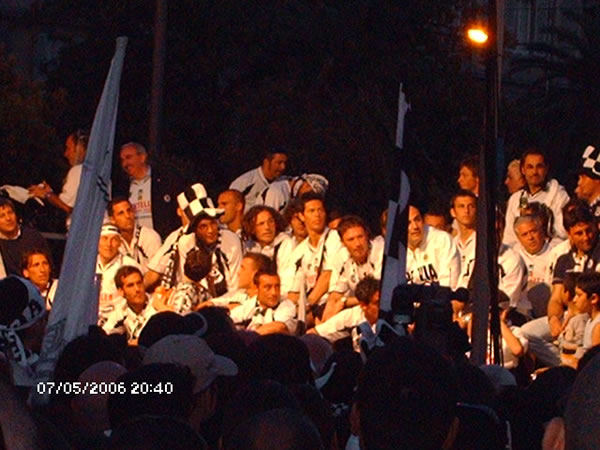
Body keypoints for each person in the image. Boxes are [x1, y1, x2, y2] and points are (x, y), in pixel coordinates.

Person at [522, 201, 600, 366]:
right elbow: (556, 298)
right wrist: (553, 320)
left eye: (589, 230)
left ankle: (574, 366)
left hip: (591, 314)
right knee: (528, 333)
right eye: (579, 233)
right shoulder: (563, 259)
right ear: (569, 233)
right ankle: (563, 364)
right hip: (568, 315)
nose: (587, 237)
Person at [146, 183, 242, 296]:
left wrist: (217, 304)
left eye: (213, 224)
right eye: (203, 226)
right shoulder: (185, 242)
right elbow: (187, 282)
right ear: (195, 229)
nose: (210, 230)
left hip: (229, 301)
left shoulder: (231, 240)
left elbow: (236, 284)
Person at [286, 193, 344, 316]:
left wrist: (307, 304)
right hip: (309, 306)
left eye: (320, 210)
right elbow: (293, 292)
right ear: (301, 216)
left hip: (331, 302)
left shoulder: (335, 237)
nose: (317, 215)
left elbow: (328, 275)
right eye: (311, 211)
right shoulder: (299, 251)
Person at [503, 148, 569, 247]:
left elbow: (563, 233)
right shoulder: (515, 199)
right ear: (523, 170)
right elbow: (509, 237)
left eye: (539, 167)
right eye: (530, 167)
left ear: (546, 169)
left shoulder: (559, 196)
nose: (534, 172)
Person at [321, 216, 383, 321]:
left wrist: (345, 301)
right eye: (351, 239)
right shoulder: (342, 257)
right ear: (342, 242)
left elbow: (376, 296)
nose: (357, 244)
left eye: (360, 237)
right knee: (320, 330)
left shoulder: (380, 252)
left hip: (378, 309)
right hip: (359, 307)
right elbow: (334, 297)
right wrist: (325, 321)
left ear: (367, 235)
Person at [114, 142, 180, 238]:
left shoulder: (165, 180)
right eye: (122, 160)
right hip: (135, 244)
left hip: (163, 242)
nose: (125, 164)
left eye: (128, 157)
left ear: (142, 157)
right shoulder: (122, 187)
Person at [28, 129, 88, 228]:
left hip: (82, 231)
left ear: (79, 148)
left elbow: (67, 206)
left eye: (68, 148)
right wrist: (51, 194)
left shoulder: (78, 171)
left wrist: (46, 194)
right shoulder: (101, 173)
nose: (66, 154)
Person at [309, 277, 380, 352]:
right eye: (377, 303)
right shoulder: (352, 316)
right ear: (363, 305)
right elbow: (312, 334)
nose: (382, 305)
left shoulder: (390, 319)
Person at [406, 205, 460, 289]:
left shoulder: (442, 239)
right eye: (408, 223)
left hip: (439, 300)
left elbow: (448, 285)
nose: (415, 226)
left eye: (417, 219)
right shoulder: (393, 250)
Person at [96, 223, 139, 325]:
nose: (109, 244)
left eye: (114, 239)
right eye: (104, 238)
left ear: (120, 243)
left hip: (120, 322)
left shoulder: (129, 265)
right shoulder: (88, 265)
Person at [102, 265, 157, 343]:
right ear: (121, 291)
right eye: (130, 285)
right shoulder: (119, 314)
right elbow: (105, 335)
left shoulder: (157, 306)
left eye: (139, 283)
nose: (137, 289)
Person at [230, 270, 296, 335]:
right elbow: (231, 320)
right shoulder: (249, 305)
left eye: (277, 287)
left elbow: (279, 327)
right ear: (256, 288)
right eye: (268, 287)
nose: (274, 292)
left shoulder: (287, 306)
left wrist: (249, 337)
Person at [513, 215, 554, 317]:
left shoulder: (555, 253)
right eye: (525, 234)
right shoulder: (514, 255)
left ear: (542, 231)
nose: (530, 238)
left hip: (546, 308)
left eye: (533, 231)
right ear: (518, 238)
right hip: (519, 309)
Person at [107, 197, 162, 273]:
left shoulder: (150, 237)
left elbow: (157, 272)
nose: (127, 216)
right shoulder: (113, 241)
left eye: (129, 210)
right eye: (121, 213)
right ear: (112, 220)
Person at [0, 197, 50, 279]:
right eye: (2, 216)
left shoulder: (33, 237)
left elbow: (48, 265)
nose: (8, 218)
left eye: (10, 213)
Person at [242, 205, 294, 278]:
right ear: (252, 228)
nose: (267, 227)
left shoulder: (285, 243)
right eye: (261, 224)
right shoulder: (249, 247)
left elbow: (286, 278)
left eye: (271, 222)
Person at [256, 173, 329, 213]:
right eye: (310, 193)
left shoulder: (295, 198)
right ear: (306, 185)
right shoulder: (277, 192)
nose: (308, 198)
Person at [576, 144, 600, 217]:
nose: (579, 182)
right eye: (579, 178)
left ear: (597, 179)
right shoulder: (587, 208)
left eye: (584, 177)